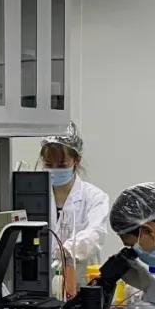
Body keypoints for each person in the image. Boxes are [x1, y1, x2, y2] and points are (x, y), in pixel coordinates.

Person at [40, 123, 110, 295]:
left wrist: (69, 249)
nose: (54, 170)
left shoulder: (94, 197)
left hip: (81, 288)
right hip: (40, 289)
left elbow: (96, 233)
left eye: (62, 165)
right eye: (49, 164)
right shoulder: (35, 197)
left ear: (76, 160)